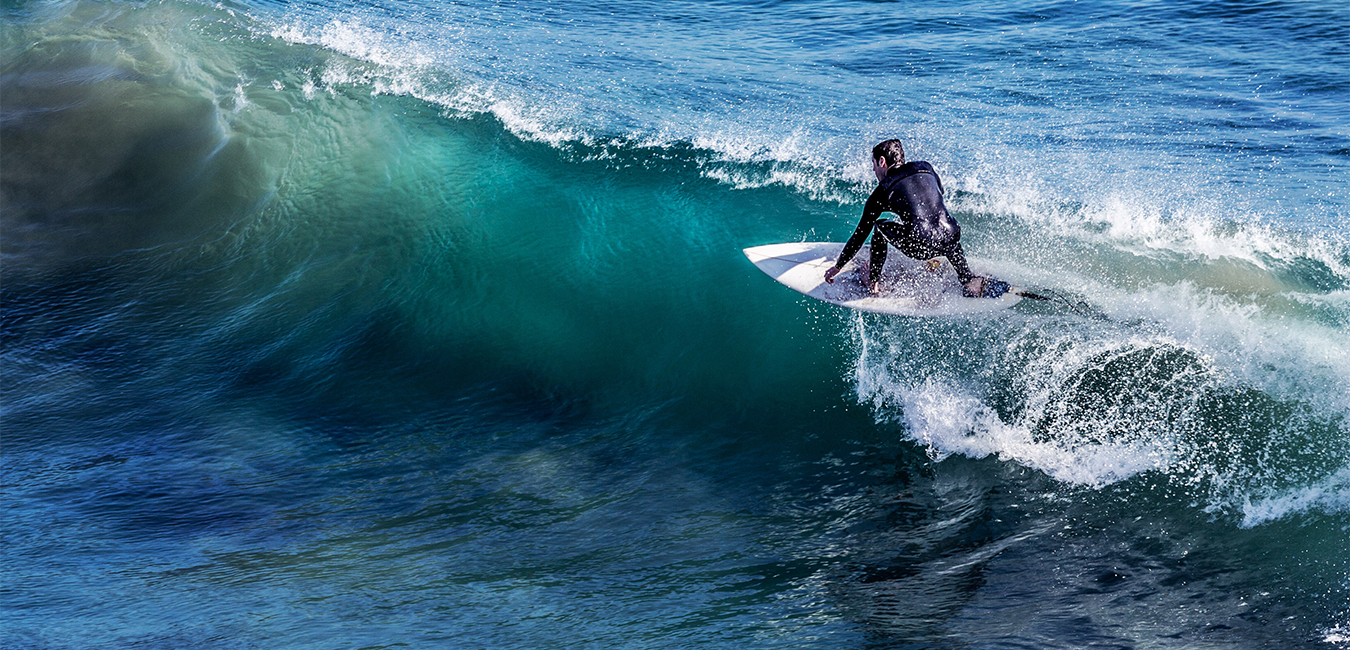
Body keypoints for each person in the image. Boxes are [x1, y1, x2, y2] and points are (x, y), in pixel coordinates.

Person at [823, 139, 988, 297]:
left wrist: (838, 267)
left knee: (880, 227)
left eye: (873, 164)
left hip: (921, 246)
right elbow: (938, 193)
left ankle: (873, 280)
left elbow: (860, 235)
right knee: (942, 225)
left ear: (882, 161)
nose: (873, 170)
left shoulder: (884, 189)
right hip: (952, 237)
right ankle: (968, 280)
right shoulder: (925, 167)